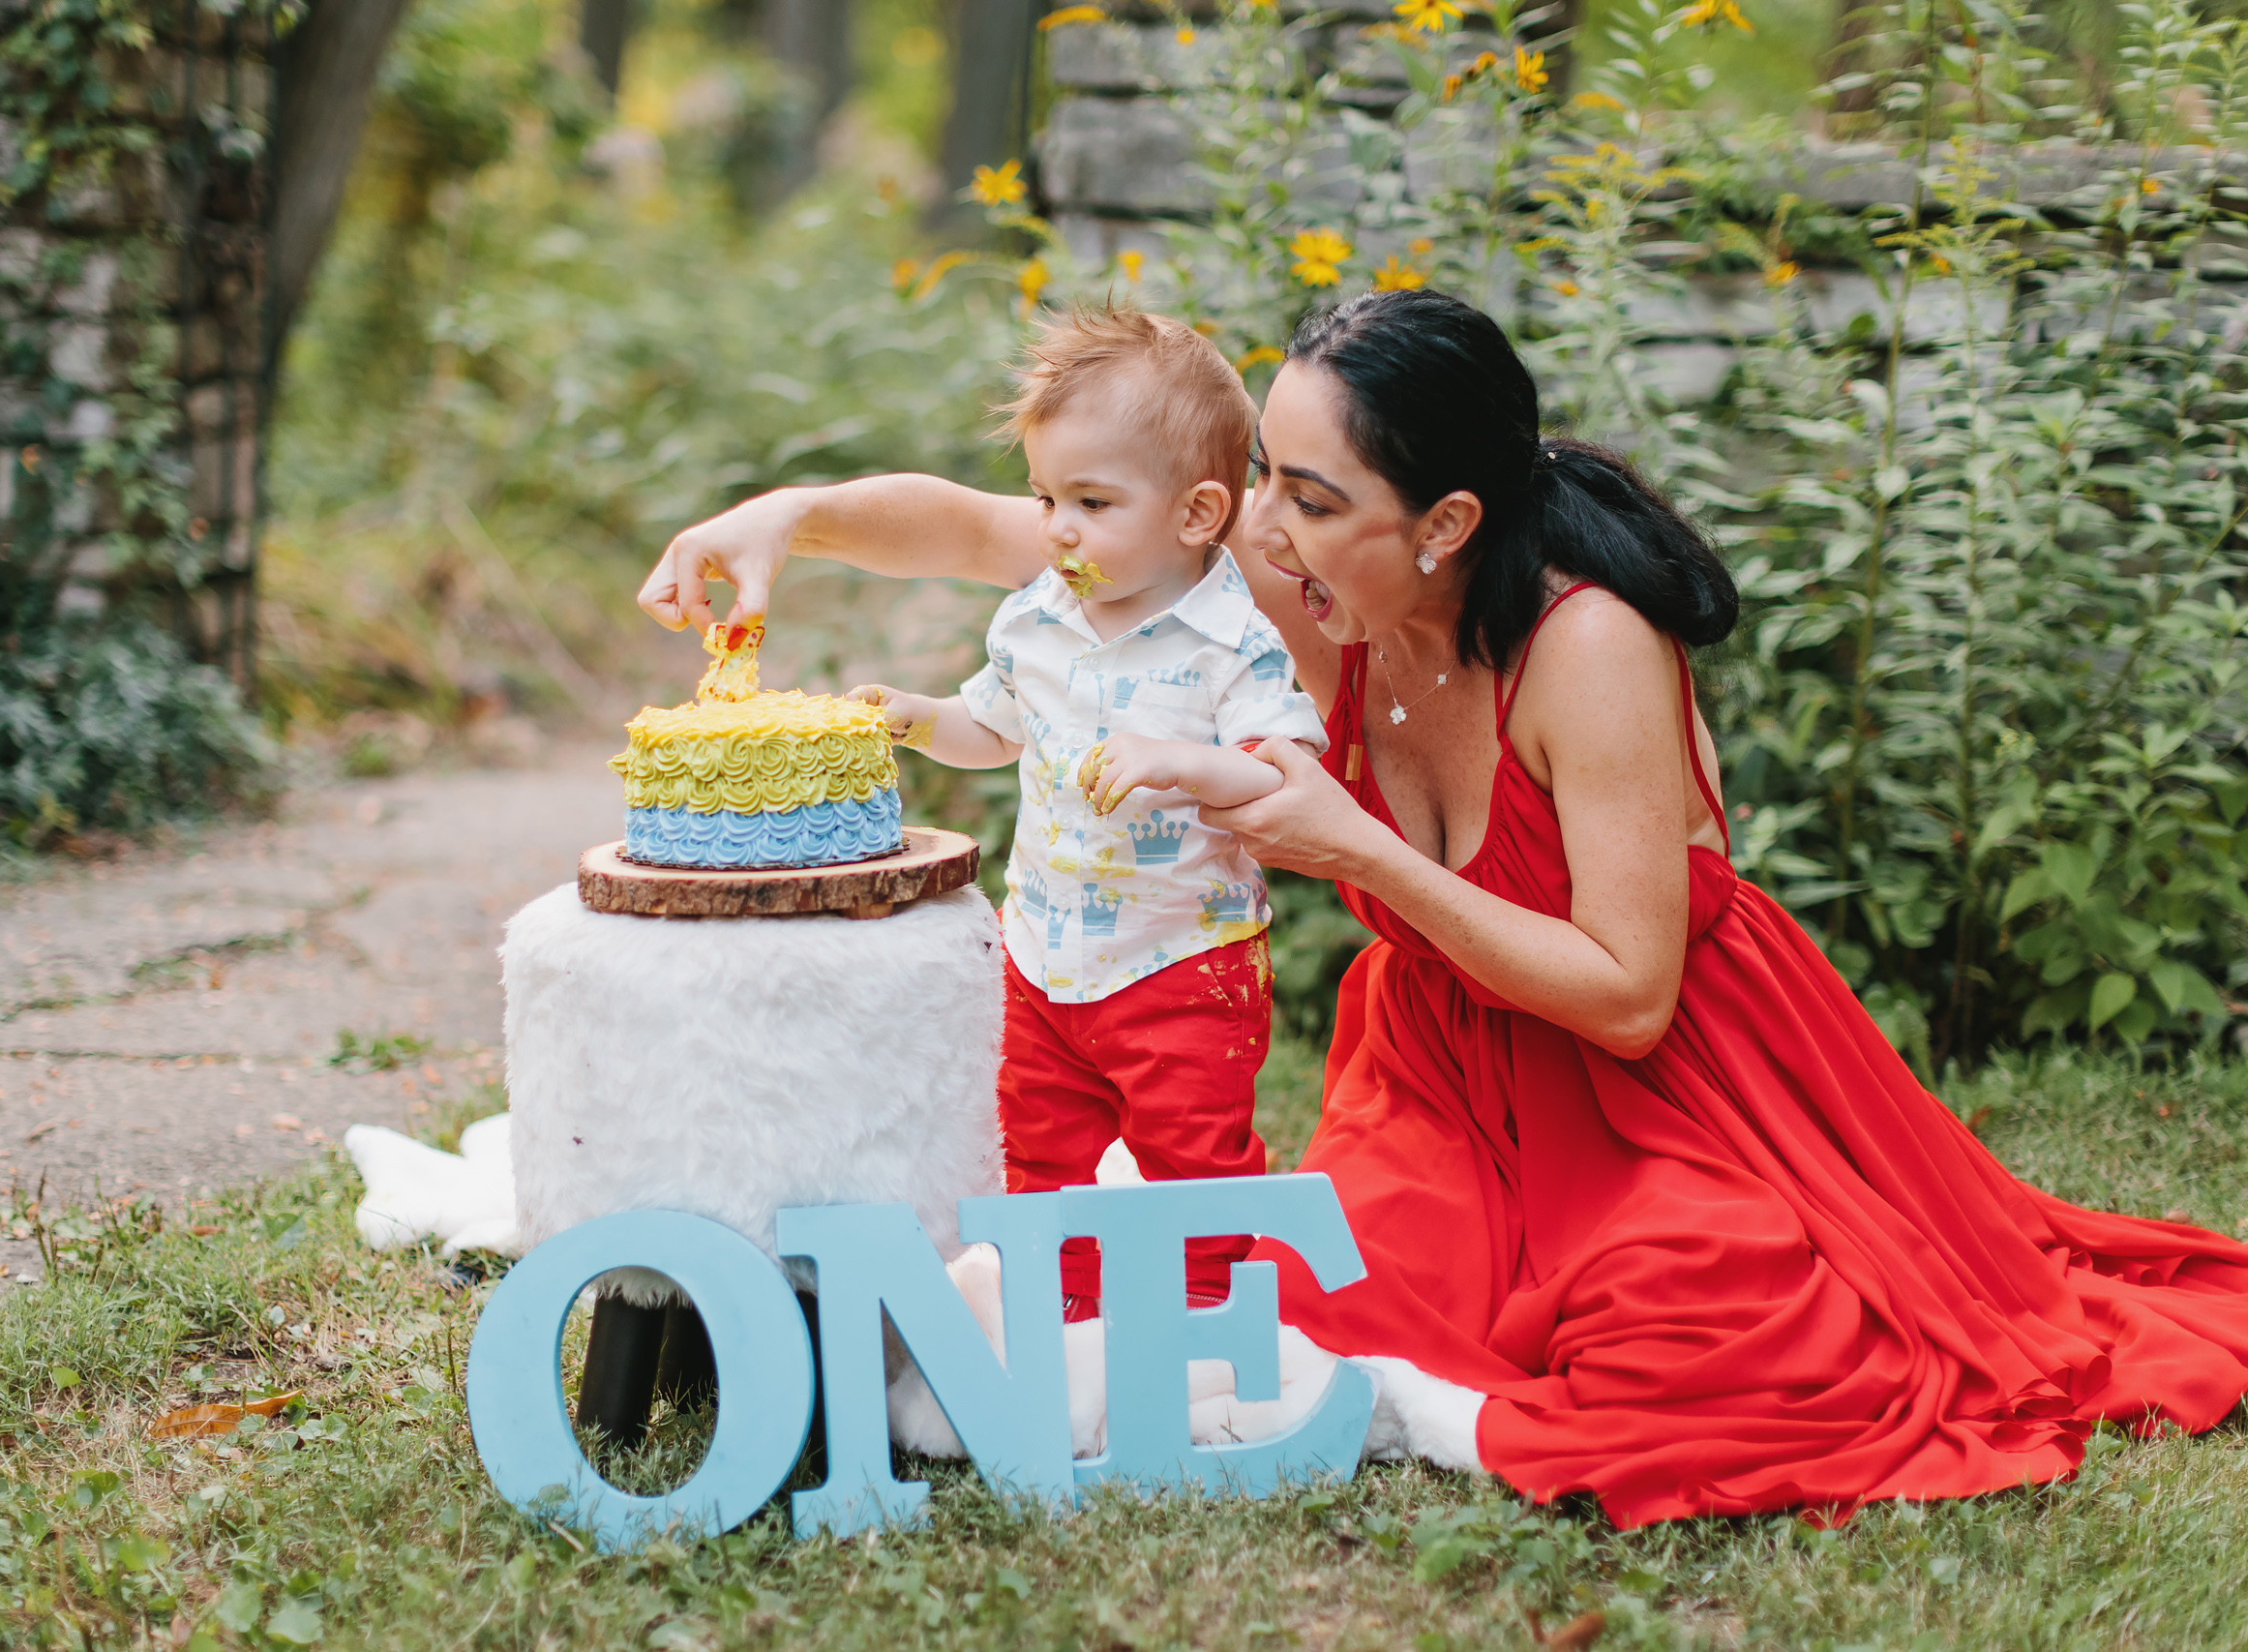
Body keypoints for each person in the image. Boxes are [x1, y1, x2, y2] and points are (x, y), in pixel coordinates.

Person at [637, 287, 2248, 1527]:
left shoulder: (1589, 648)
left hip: (1675, 1085)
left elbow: (1629, 993)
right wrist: (786, 518)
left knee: (1714, 1344)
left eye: (1315, 496)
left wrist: (1362, 851)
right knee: (1340, 1301)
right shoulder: (1311, 576)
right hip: (1440, 1076)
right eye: (1266, 474)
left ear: (1448, 525)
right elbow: (1009, 529)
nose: (1266, 525)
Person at [846, 308, 1327, 1321]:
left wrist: (1185, 762)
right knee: (1040, 1141)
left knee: (1191, 1152)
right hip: (1045, 950)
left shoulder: (1231, 644)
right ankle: (1059, 1309)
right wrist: (923, 718)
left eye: (1091, 502)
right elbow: (994, 726)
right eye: (1045, 497)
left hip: (1179, 960)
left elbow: (1284, 780)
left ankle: (1204, 1321)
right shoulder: (1039, 618)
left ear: (1197, 514)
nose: (1055, 526)